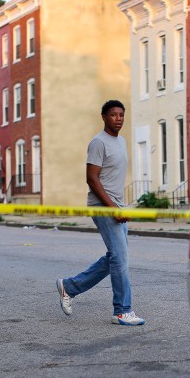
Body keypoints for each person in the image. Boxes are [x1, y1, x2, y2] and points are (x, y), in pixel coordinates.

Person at [56, 100, 145, 326]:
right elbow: (92, 179)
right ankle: (122, 311)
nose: (119, 118)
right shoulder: (98, 143)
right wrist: (113, 209)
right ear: (104, 117)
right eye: (114, 115)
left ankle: (69, 286)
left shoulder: (121, 141)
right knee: (120, 258)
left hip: (116, 205)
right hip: (103, 206)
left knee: (115, 257)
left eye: (121, 115)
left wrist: (120, 207)